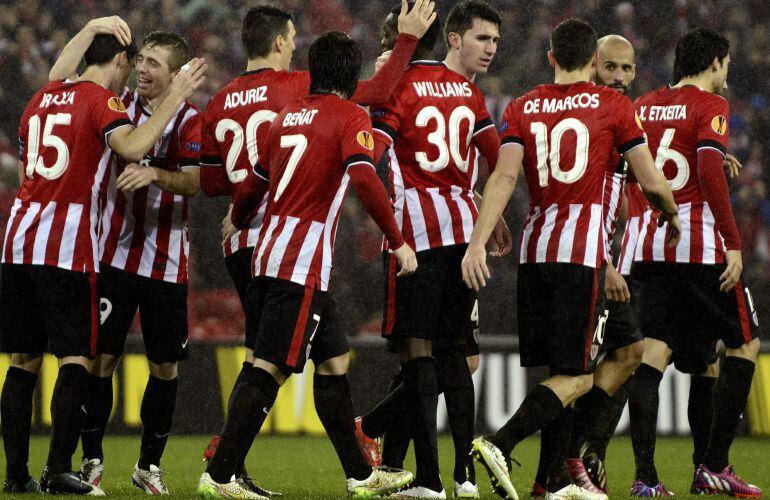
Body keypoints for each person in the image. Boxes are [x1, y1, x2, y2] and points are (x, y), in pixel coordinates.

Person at [198, 2, 436, 493]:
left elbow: (249, 185)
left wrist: (237, 220)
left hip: (265, 251)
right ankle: (220, 473)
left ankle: (359, 475)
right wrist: (397, 240)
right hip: (300, 261)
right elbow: (366, 177)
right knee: (268, 368)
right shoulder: (347, 114)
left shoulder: (284, 117)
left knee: (333, 361)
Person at [463, 18, 680, 500]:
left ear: (551, 56)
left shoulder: (523, 105)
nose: (621, 75)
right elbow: (653, 182)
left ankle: (553, 480)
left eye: (627, 68)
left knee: (593, 363)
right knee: (577, 375)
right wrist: (671, 213)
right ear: (592, 62)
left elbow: (502, 178)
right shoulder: (614, 109)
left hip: (535, 250)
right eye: (612, 66)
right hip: (582, 257)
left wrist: (477, 241)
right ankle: (505, 444)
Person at [0, 32, 205, 495]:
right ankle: (62, 468)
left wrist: (91, 26)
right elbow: (132, 148)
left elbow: (56, 74)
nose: (139, 71)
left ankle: (16, 475)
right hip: (69, 245)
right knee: (80, 359)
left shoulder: (44, 96)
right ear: (120, 60)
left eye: (154, 63)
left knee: (22, 362)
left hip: (18, 238)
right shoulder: (105, 103)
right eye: (137, 61)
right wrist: (174, 98)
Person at [355, 2, 508, 498]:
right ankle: (463, 478)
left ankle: (429, 480)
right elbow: (497, 160)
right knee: (458, 353)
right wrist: (494, 213)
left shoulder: (396, 85)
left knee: (418, 353)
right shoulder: (467, 91)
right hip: (465, 233)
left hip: (414, 235)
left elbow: (373, 154)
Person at [627, 28, 761, 498]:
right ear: (716, 62)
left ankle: (645, 479)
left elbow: (633, 168)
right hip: (700, 246)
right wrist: (733, 242)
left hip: (650, 244)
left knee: (657, 353)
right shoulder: (711, 107)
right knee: (745, 345)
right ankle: (715, 463)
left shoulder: (642, 105)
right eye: (726, 64)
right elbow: (704, 168)